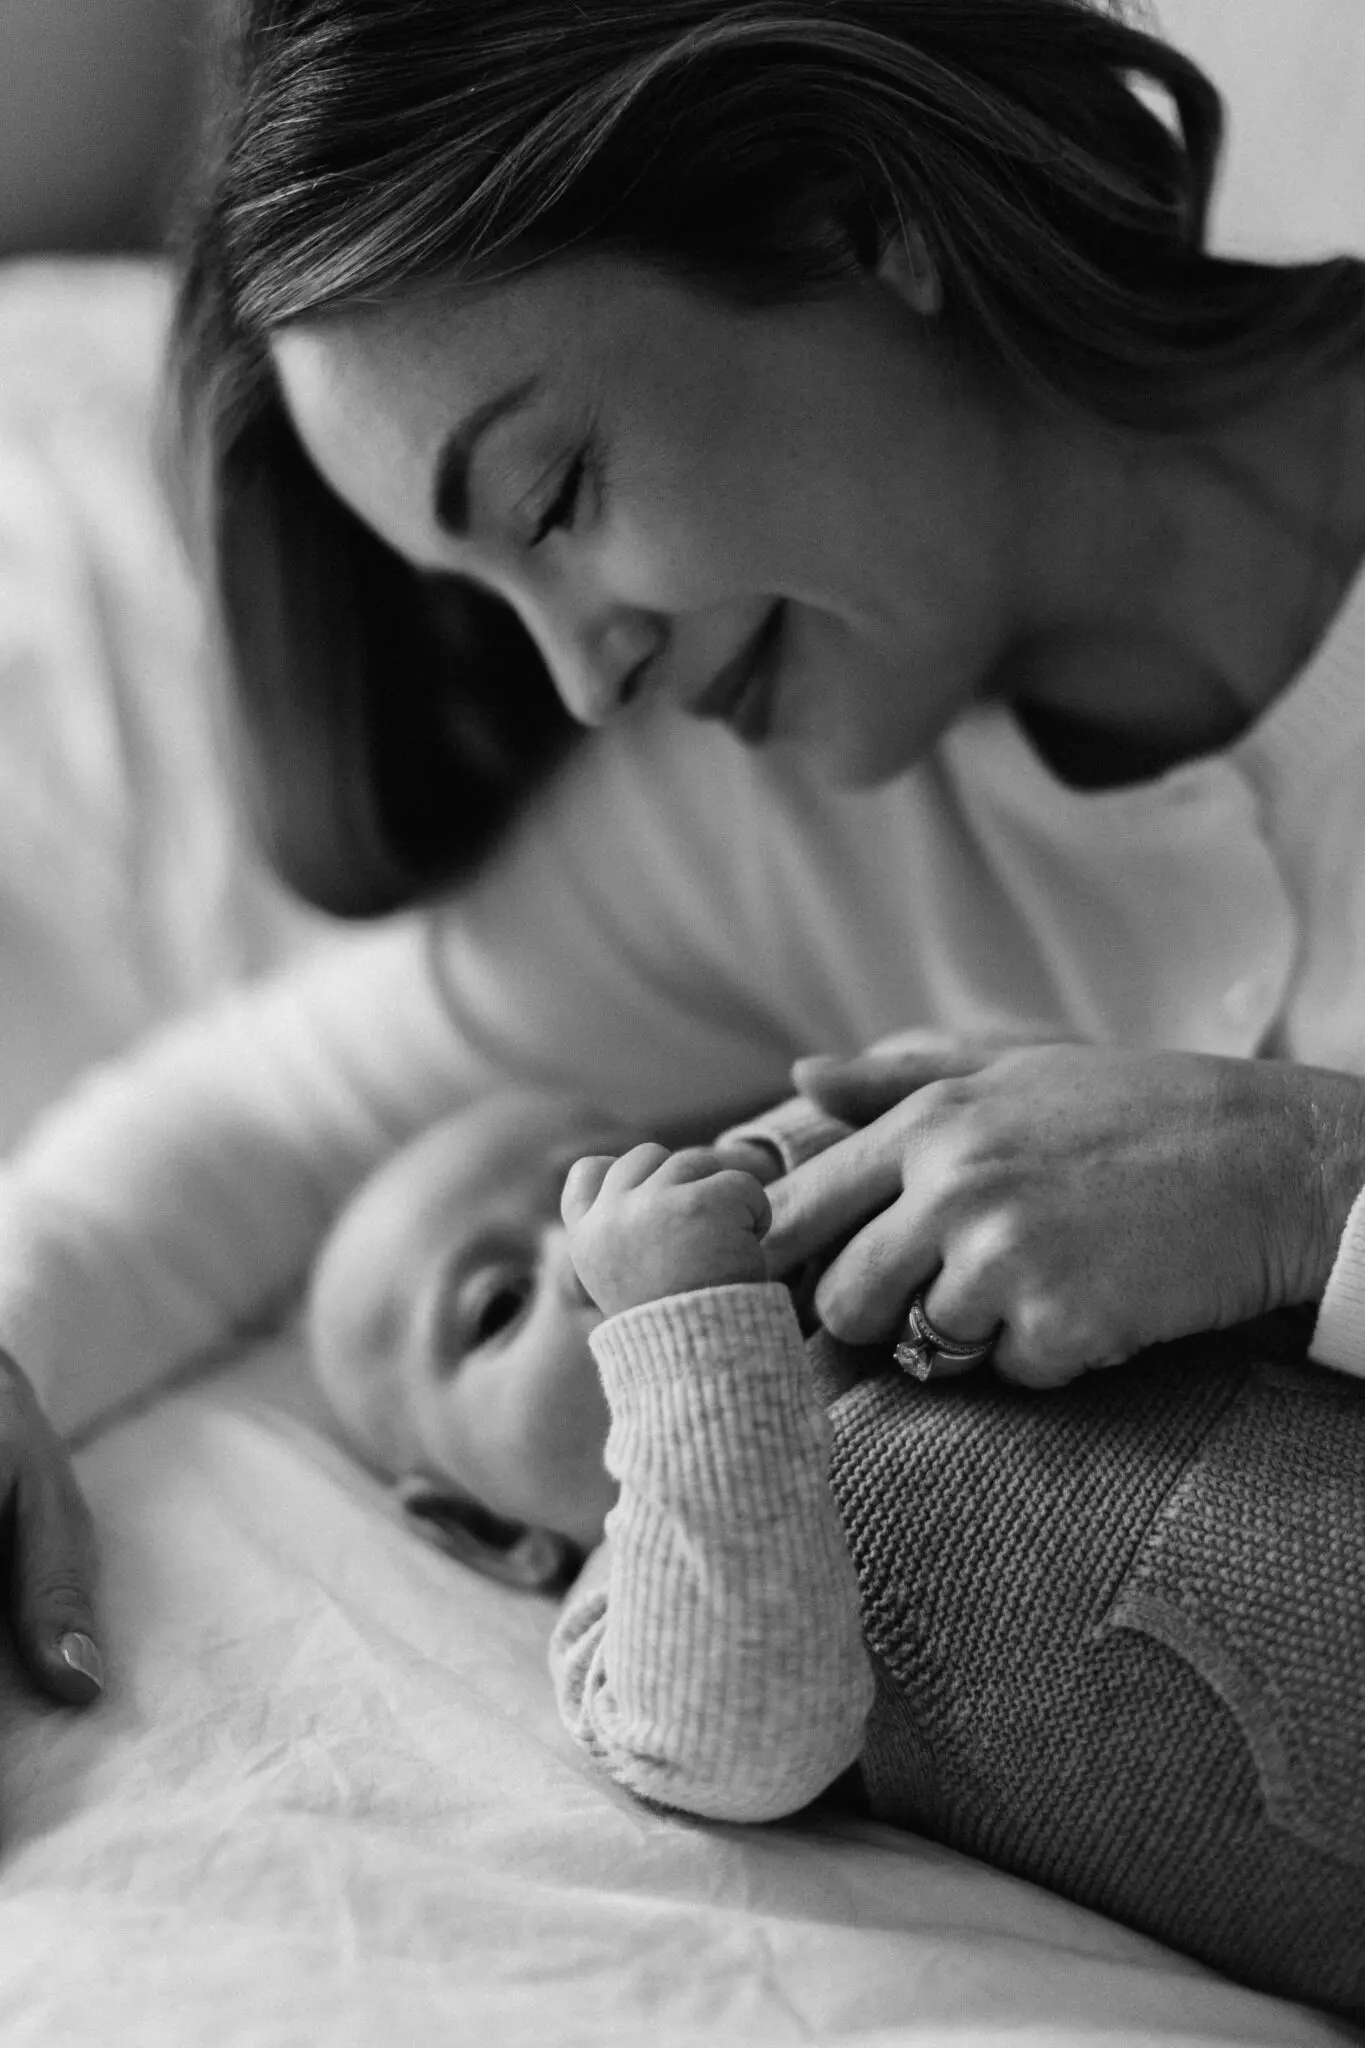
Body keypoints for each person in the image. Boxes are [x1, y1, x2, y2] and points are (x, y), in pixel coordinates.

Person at [2, 0, 1365, 1751]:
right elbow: (259, 1117)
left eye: (555, 491)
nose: (587, 678)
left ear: (854, 209)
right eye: (485, 602)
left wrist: (1302, 1184)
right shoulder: (762, 799)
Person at [302, 1087, 1365, 2020]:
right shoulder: (629, 1608)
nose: (591, 1250)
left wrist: (796, 1153)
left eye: (609, 1180)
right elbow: (753, 1740)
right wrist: (681, 1316)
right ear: (487, 1530)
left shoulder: (881, 1273)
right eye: (496, 1304)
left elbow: (1081, 1168)